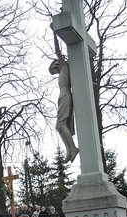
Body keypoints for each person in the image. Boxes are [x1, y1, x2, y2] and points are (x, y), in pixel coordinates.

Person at [50, 28, 78, 163]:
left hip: (66, 96)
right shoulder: (62, 73)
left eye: (54, 71)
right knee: (59, 127)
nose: (55, 73)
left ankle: (72, 149)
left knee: (61, 125)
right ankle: (70, 149)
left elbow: (58, 51)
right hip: (62, 98)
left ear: (56, 66)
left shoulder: (64, 68)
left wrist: (54, 33)